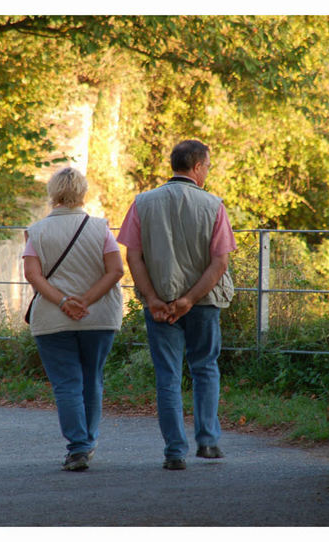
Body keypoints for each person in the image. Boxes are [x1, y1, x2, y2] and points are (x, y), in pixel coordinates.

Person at [117, 139, 236, 470]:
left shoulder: (142, 203)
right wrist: (190, 299)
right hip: (204, 301)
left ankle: (174, 451)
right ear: (196, 167)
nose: (208, 172)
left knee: (167, 376)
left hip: (160, 304)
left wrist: (154, 298)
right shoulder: (213, 206)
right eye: (207, 166)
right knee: (205, 368)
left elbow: (133, 256)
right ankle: (208, 443)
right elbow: (219, 263)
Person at [23, 166, 123, 471]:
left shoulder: (36, 232)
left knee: (67, 383)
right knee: (92, 378)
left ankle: (78, 447)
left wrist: (64, 302)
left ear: (53, 193)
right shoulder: (100, 228)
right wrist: (86, 301)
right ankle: (87, 443)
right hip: (99, 316)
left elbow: (32, 275)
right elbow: (116, 270)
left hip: (53, 319)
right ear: (82, 193)